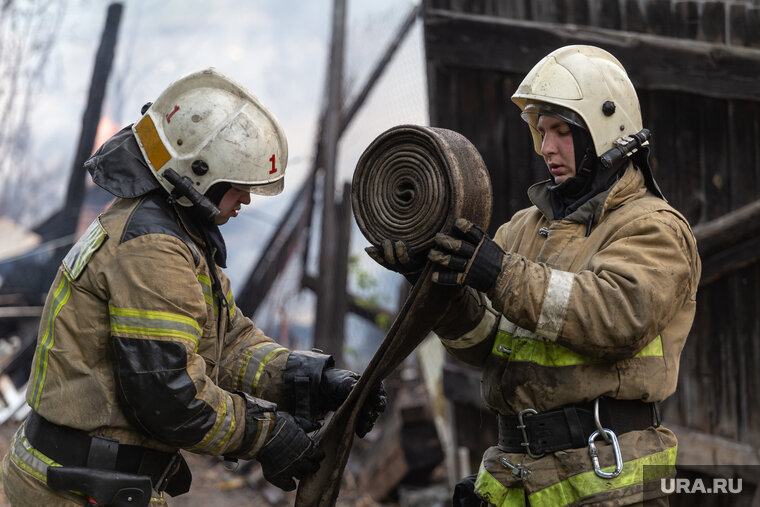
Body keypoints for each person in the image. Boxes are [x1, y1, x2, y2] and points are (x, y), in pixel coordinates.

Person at [2, 68, 386, 506]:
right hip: (77, 489)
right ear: (199, 172)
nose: (245, 198)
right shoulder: (152, 248)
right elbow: (171, 395)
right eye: (239, 185)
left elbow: (228, 342)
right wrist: (266, 433)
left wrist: (310, 379)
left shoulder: (178, 235)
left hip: (93, 481)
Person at [368, 45, 700, 505]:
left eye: (562, 131)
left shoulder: (653, 227)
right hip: (517, 475)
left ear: (607, 130)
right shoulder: (524, 228)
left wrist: (498, 273)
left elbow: (615, 316)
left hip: (607, 483)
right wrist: (431, 284)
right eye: (542, 132)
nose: (546, 148)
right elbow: (483, 343)